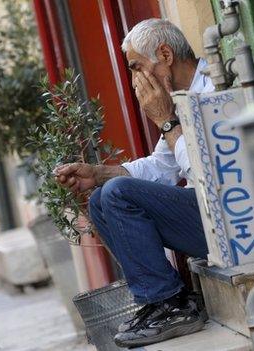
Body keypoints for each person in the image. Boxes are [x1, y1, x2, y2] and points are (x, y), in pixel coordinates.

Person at [54, 19, 214, 348]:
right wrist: (97, 173)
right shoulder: (178, 96)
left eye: (136, 67)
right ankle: (160, 301)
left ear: (165, 55)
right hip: (205, 221)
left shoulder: (212, 86)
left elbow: (205, 176)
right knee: (101, 197)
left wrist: (166, 120)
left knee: (116, 193)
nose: (134, 80)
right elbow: (162, 166)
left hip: (230, 222)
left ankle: (174, 306)